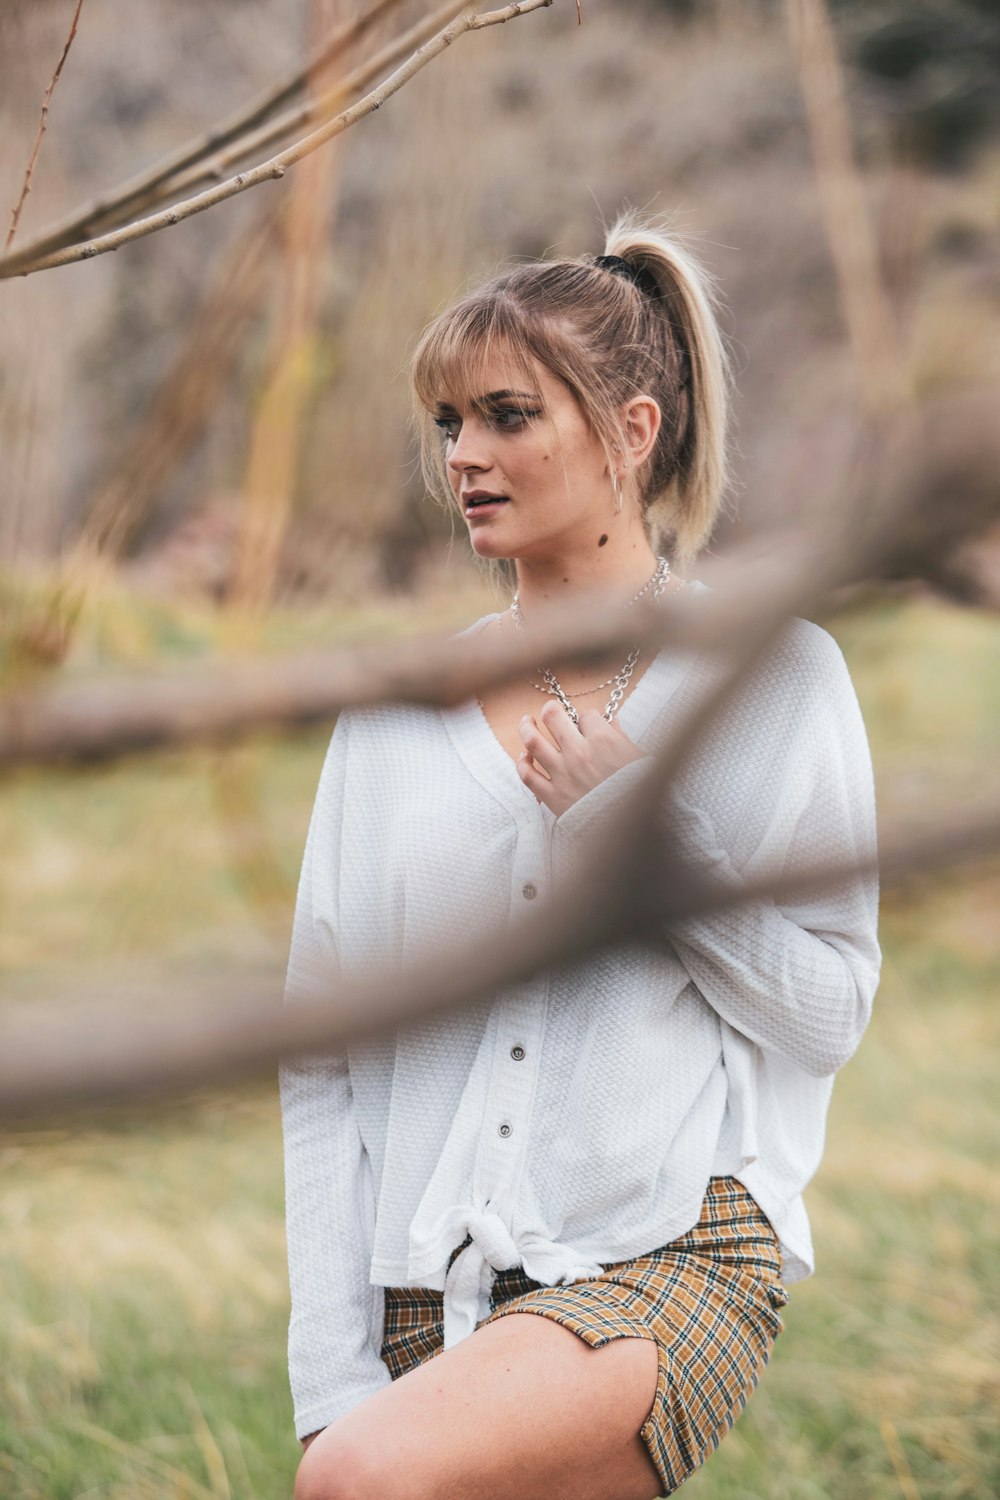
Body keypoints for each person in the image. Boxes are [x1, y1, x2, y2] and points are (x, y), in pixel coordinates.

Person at [279, 210, 881, 1500]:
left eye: (507, 415)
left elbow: (830, 1012)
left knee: (361, 1485)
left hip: (663, 1254)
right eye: (448, 424)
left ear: (632, 431)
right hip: (416, 1289)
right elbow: (320, 1060)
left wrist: (637, 839)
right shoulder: (392, 716)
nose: (466, 457)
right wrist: (330, 1378)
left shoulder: (774, 678)